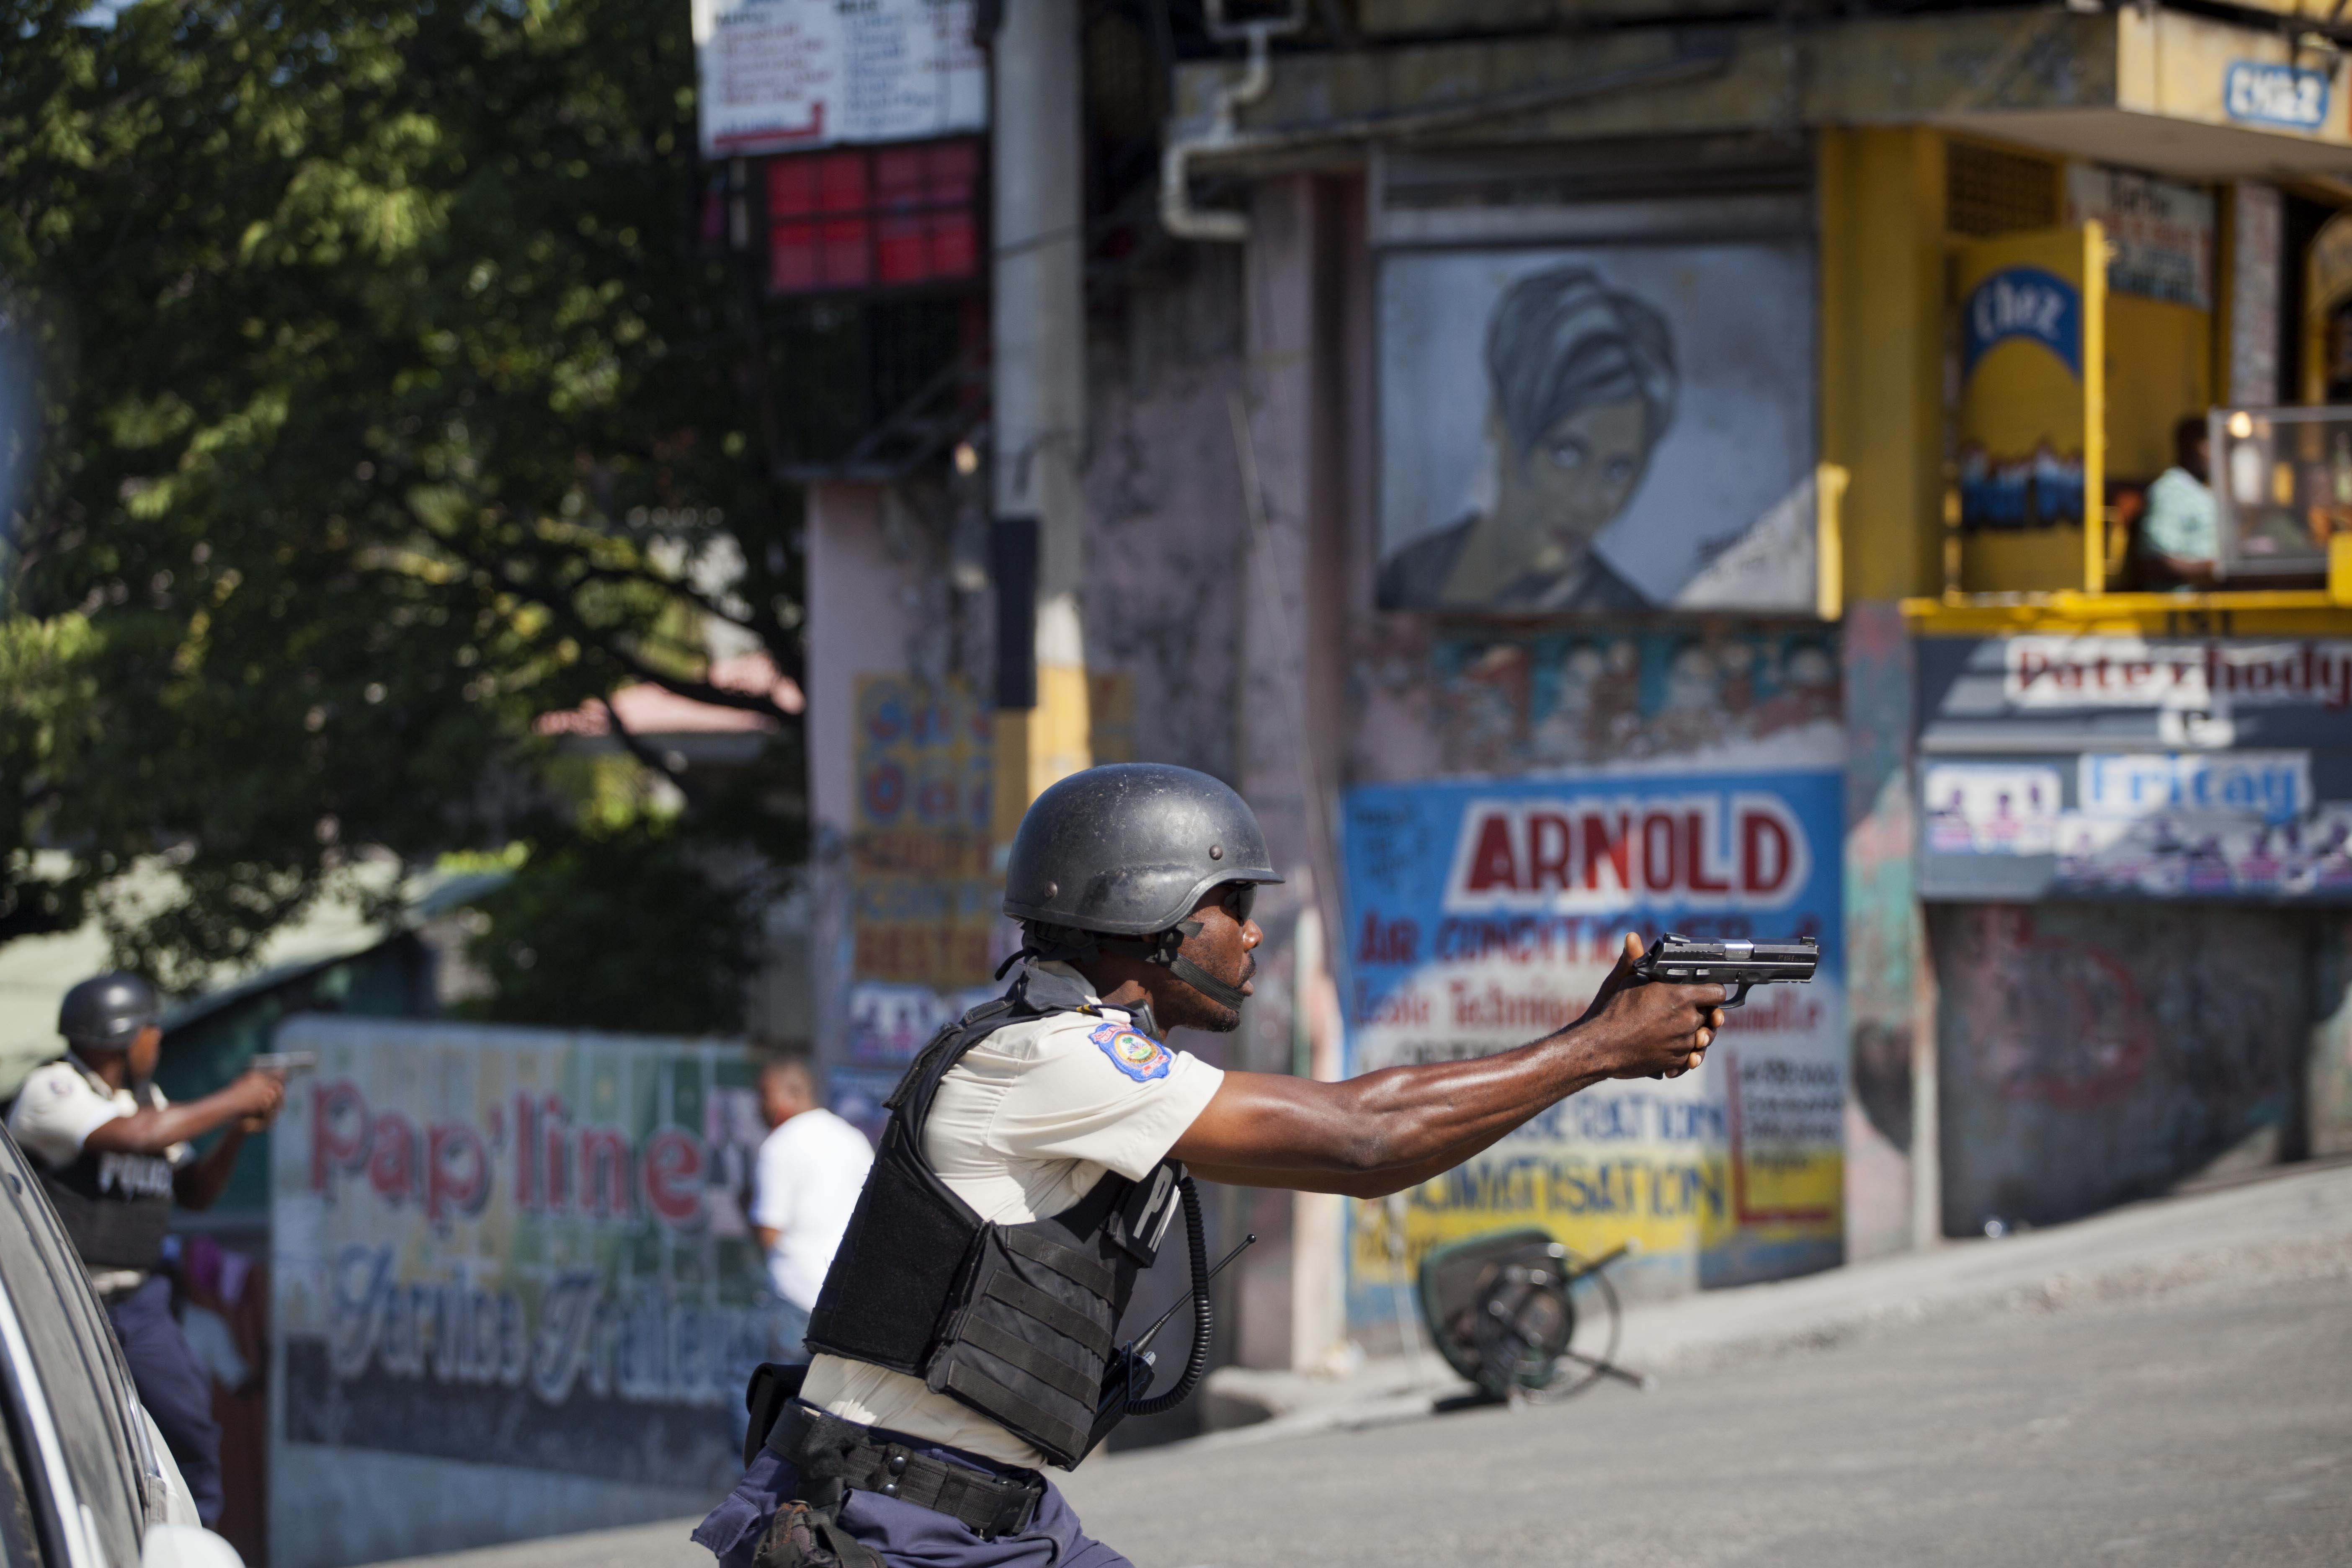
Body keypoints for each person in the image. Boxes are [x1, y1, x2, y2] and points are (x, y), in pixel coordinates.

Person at [694, 763, 1723, 1568]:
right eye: (1233, 902)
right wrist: (1600, 1047)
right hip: (890, 1522)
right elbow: (1367, 1137)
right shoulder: (1052, 1055)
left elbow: (1378, 1135)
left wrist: (1598, 1034)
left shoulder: (1058, 1042)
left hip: (984, 1512)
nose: (1252, 930)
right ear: (1161, 917)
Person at [6, 973, 286, 1527]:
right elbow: (137, 1138)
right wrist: (236, 1095)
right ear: (123, 1035)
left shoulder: (145, 1103)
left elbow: (196, 1192)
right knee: (62, 1436)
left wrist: (238, 1131)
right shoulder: (54, 1090)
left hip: (137, 1301)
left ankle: (189, 1546)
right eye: (151, 1029)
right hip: (61, 1302)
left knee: (188, 1428)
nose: (156, 1040)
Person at [1379, 264, 1676, 611]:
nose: (1586, 501)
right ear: (1499, 420)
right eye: (1566, 455)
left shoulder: (1631, 624)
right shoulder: (1406, 577)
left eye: (1617, 470)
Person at [750, 1053, 874, 1359]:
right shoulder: (852, 1138)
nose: (760, 1106)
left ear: (792, 1093)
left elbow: (769, 1234)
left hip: (795, 1298)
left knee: (779, 1398)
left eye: (765, 1095)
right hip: (846, 1301)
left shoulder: (779, 1145)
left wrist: (745, 1207)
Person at [2142, 413, 2218, 586]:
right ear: (2189, 447)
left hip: (2215, 603)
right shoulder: (2170, 490)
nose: (2214, 454)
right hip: (2183, 605)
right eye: (2208, 445)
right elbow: (2157, 561)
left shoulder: (2206, 490)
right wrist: (2210, 569)